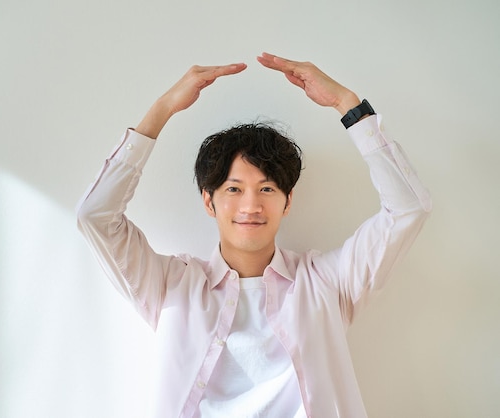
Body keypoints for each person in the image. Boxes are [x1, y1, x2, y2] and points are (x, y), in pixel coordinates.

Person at [77, 52, 432, 418]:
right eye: (233, 190)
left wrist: (348, 104)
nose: (251, 206)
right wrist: (163, 108)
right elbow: (95, 216)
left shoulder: (326, 283)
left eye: (266, 189)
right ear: (208, 201)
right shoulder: (170, 286)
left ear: (287, 201)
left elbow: (408, 209)